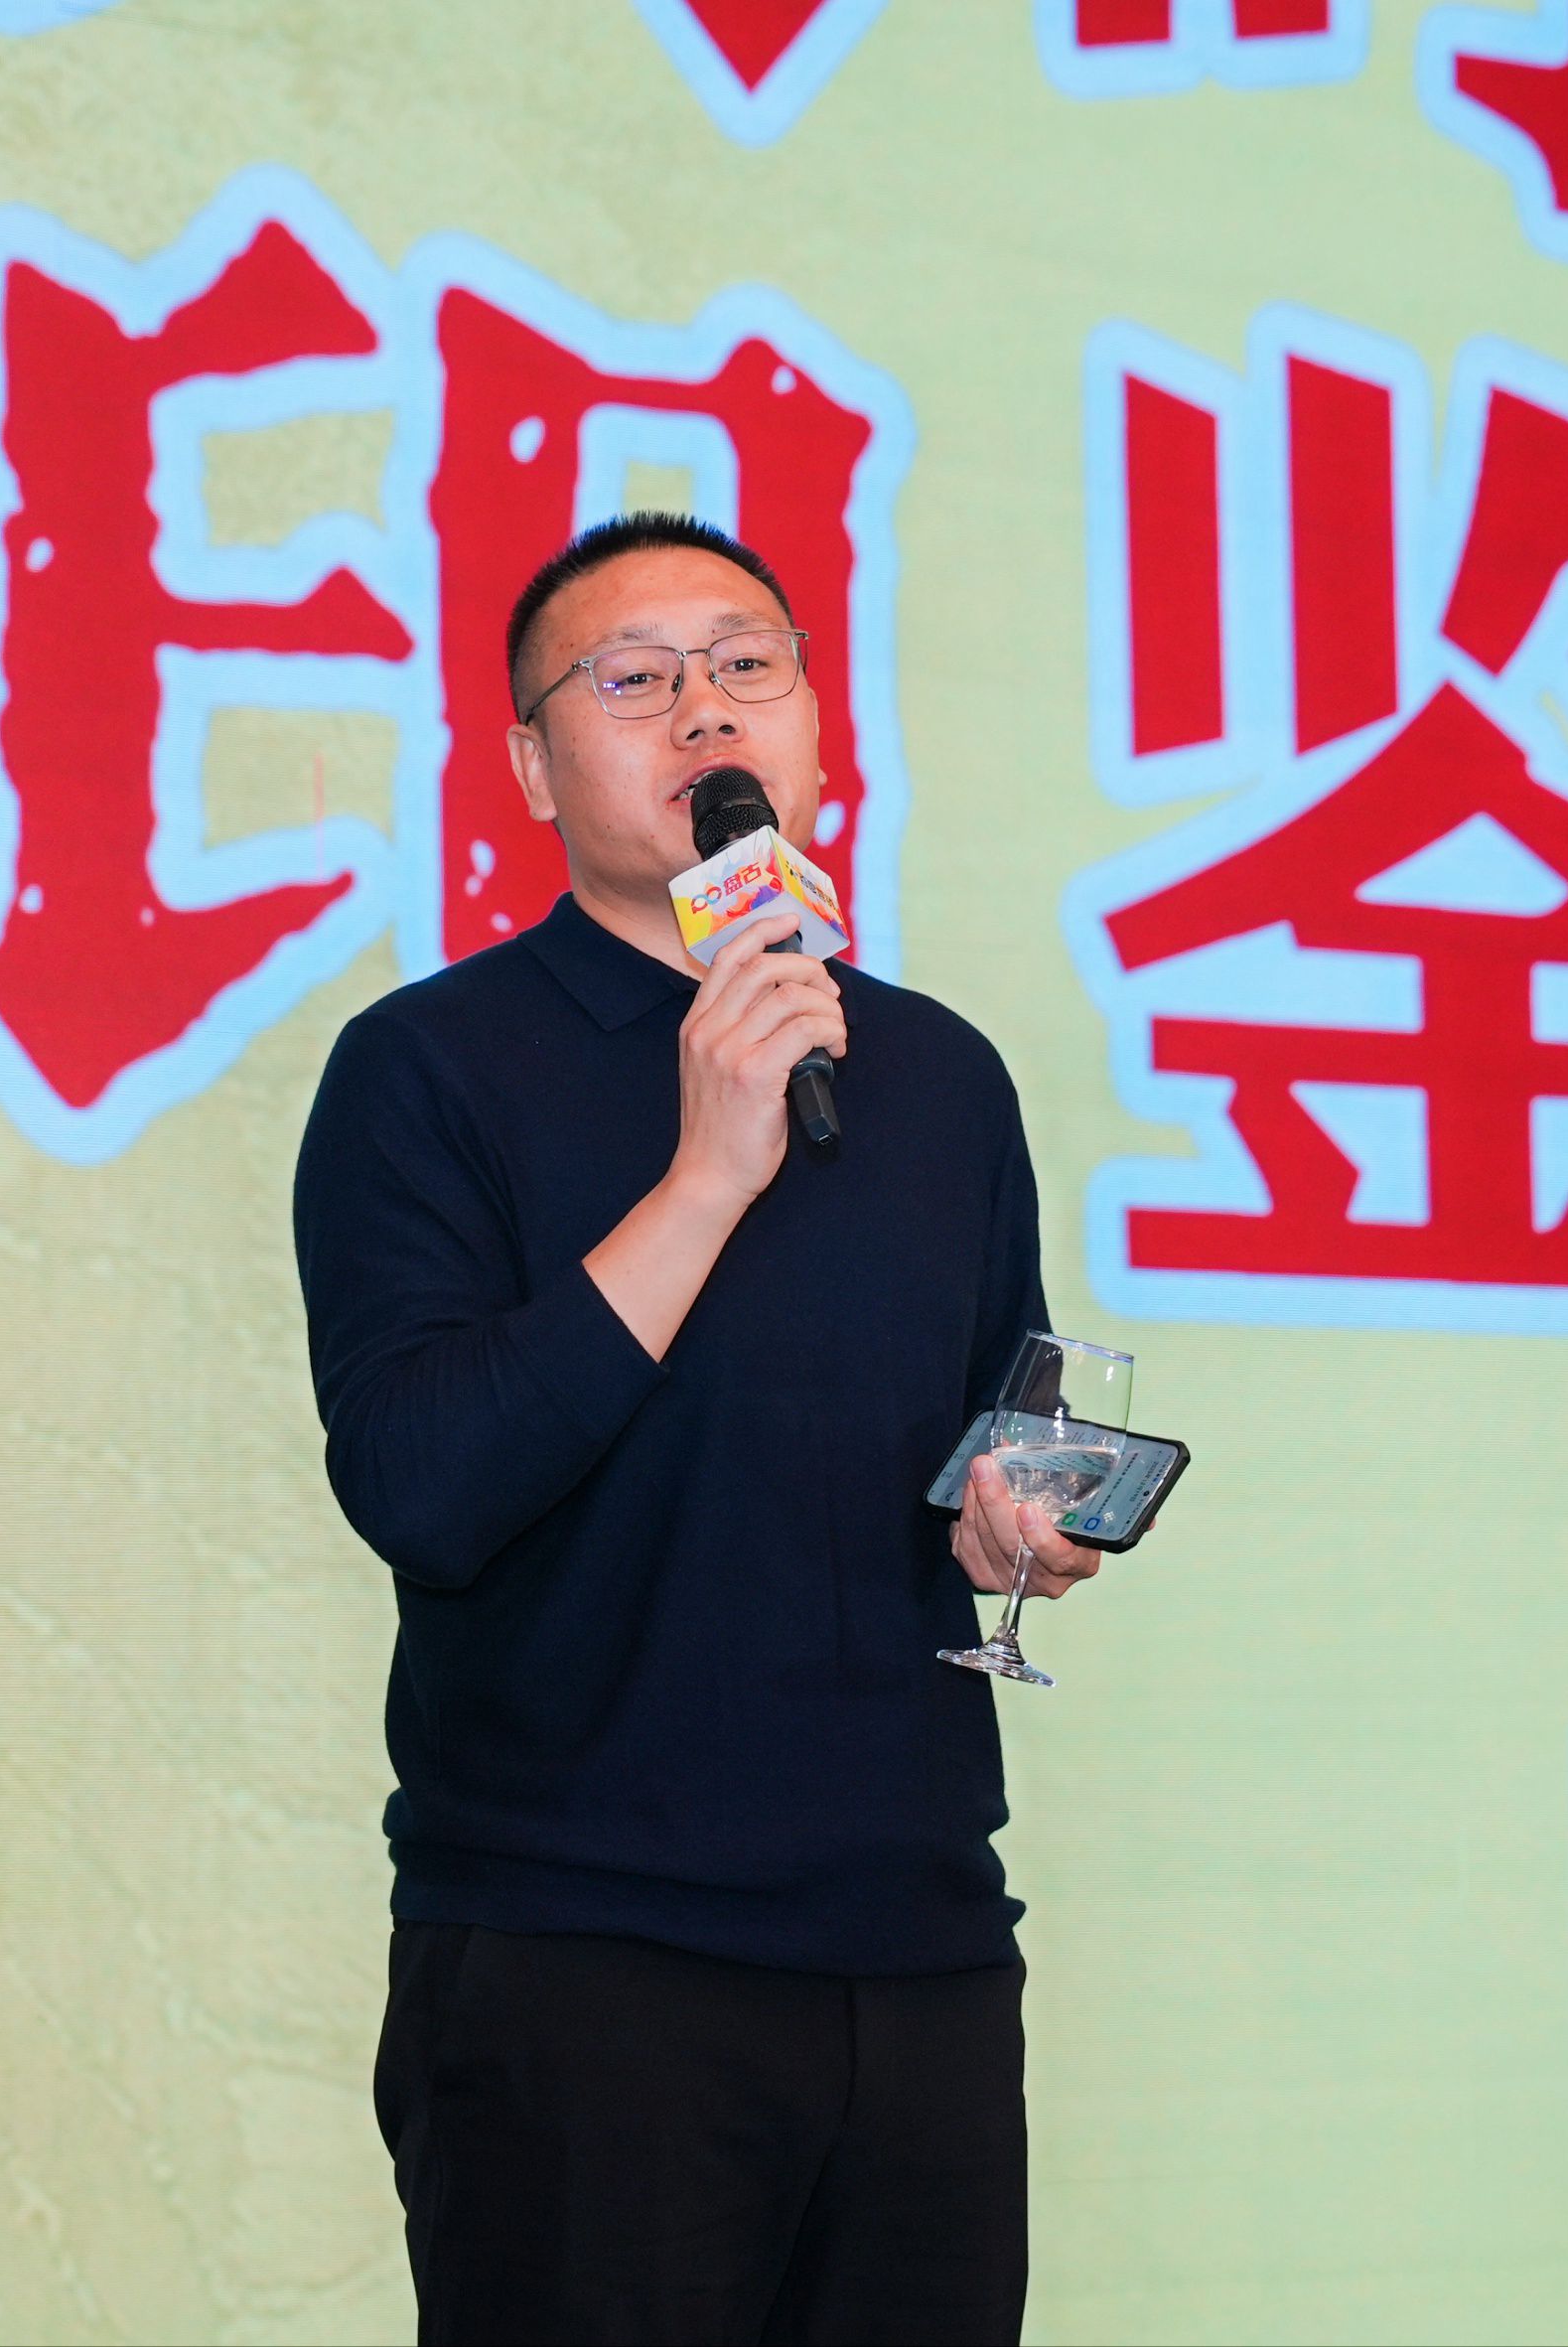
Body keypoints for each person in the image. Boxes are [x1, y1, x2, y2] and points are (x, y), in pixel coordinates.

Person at [293, 513, 1105, 2345]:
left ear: (811, 727)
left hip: (922, 1953)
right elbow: (422, 1485)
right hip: (586, 1962)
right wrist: (707, 1167)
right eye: (634, 680)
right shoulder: (427, 1069)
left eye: (747, 667)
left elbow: (1008, 1410)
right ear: (530, 765)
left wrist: (1013, 1515)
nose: (705, 714)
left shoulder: (942, 1076)